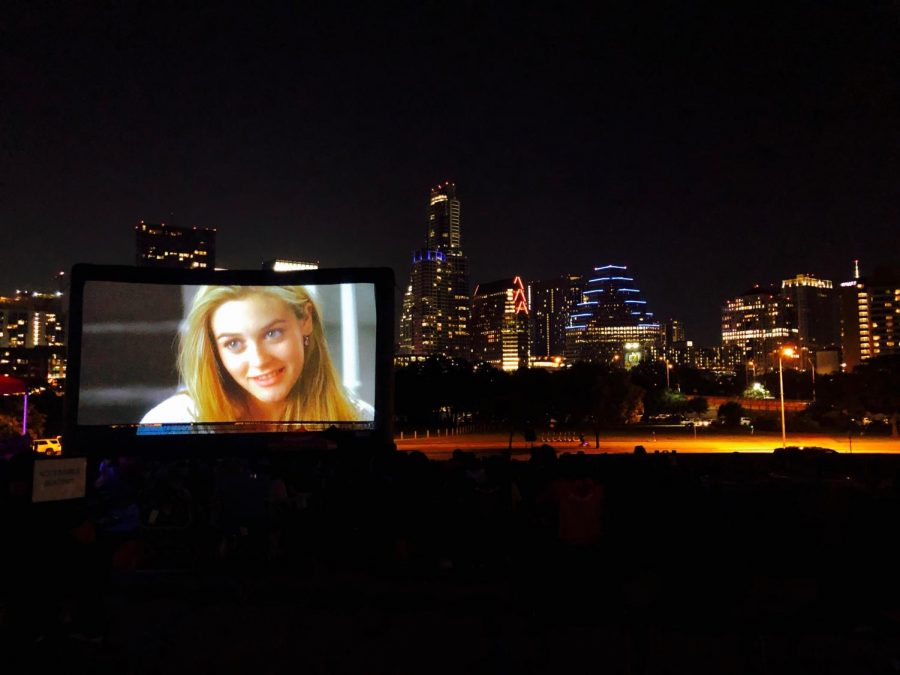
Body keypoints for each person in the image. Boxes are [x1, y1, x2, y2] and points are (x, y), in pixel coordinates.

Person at [140, 285, 372, 424]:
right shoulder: (174, 420)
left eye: (272, 333)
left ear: (306, 320)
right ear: (215, 351)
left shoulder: (358, 417)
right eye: (233, 343)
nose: (259, 360)